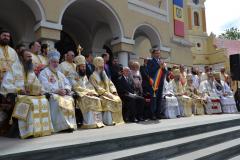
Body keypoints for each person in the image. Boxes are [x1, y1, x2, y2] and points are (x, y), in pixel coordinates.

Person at [0, 49, 53, 138]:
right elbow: (6, 84)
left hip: (29, 95)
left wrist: (41, 91)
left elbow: (37, 84)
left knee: (43, 100)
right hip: (16, 95)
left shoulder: (30, 70)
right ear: (21, 58)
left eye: (31, 57)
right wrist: (19, 90)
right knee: (29, 102)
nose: (30, 59)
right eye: (28, 57)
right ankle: (26, 130)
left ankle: (38, 129)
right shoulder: (13, 68)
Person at [39, 50, 77, 132]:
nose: (56, 64)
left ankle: (69, 125)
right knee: (57, 100)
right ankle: (60, 127)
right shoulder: (44, 73)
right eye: (53, 62)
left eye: (57, 62)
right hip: (52, 94)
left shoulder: (60, 74)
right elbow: (45, 85)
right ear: (49, 62)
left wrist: (66, 90)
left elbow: (67, 83)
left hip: (63, 93)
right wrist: (57, 91)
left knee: (70, 99)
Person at [71, 55, 104, 128]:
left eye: (85, 67)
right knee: (89, 100)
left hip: (88, 94)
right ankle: (88, 122)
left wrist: (93, 92)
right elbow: (75, 87)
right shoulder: (72, 75)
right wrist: (87, 92)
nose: (84, 68)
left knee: (97, 99)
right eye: (82, 67)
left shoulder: (85, 76)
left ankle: (97, 122)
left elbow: (89, 86)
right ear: (78, 67)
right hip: (80, 95)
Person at [89, 57, 123, 125]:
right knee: (108, 100)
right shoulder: (92, 76)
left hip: (109, 93)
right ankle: (108, 121)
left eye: (102, 67)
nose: (102, 69)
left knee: (118, 99)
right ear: (96, 67)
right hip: (100, 95)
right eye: (100, 67)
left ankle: (117, 120)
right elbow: (97, 87)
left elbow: (110, 83)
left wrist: (114, 91)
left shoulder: (104, 74)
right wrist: (105, 93)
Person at [146, 47, 168, 120]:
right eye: (156, 53)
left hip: (161, 82)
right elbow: (149, 72)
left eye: (159, 53)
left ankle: (158, 114)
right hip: (154, 83)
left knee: (159, 98)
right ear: (153, 54)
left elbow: (165, 72)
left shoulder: (161, 62)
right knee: (154, 99)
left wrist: (164, 68)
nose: (158, 55)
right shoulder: (150, 61)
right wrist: (159, 66)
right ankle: (152, 114)